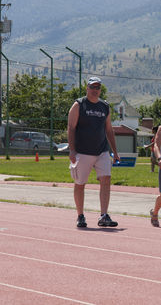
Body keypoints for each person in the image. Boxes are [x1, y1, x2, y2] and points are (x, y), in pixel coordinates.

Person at [67, 77, 120, 228]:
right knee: (80, 184)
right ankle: (80, 215)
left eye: (98, 87)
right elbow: (71, 127)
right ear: (87, 88)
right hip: (82, 151)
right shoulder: (79, 105)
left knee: (106, 179)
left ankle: (104, 215)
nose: (95, 90)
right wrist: (72, 150)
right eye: (92, 87)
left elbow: (109, 129)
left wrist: (115, 151)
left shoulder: (105, 106)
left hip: (102, 151)